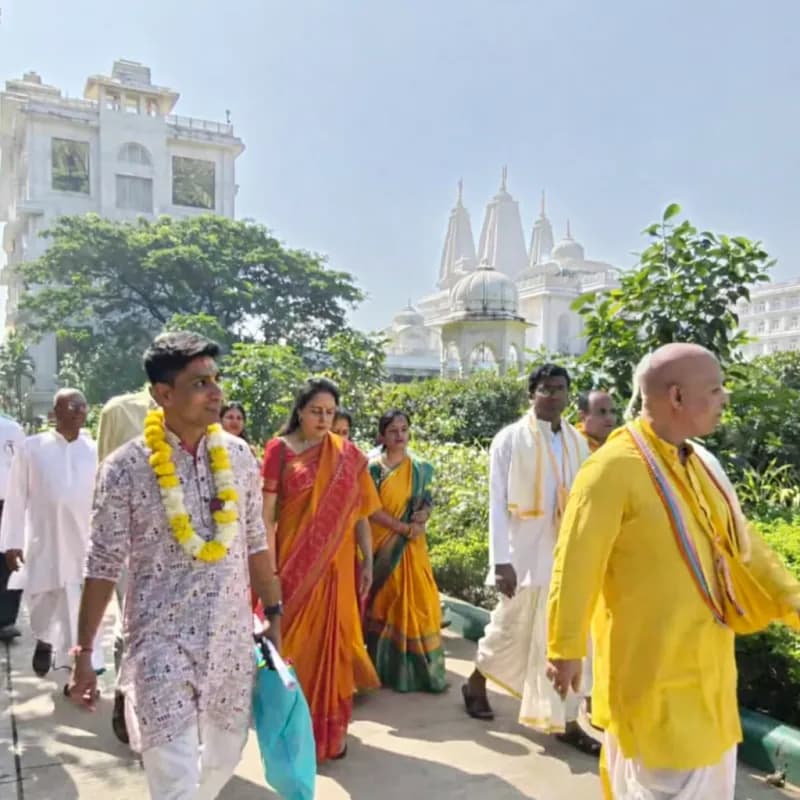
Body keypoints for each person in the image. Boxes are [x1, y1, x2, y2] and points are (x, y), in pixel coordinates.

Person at [547, 343, 800, 799]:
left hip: (710, 677)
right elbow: (575, 562)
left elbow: (746, 549)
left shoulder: (702, 463)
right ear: (677, 397)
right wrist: (564, 647)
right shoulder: (610, 469)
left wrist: (794, 603)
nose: (725, 399)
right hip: (651, 677)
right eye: (716, 389)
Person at [68, 332, 280, 800]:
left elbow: (254, 541)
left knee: (225, 756)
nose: (216, 392)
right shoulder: (126, 468)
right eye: (200, 383)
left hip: (228, 637)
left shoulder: (240, 457)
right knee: (174, 776)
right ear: (163, 394)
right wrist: (84, 654)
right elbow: (101, 565)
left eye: (215, 380)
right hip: (158, 644)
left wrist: (275, 614)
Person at [461, 364, 597, 754]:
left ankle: (567, 721)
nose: (553, 396)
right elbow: (497, 505)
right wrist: (500, 560)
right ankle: (475, 682)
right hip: (521, 555)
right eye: (545, 389)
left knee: (565, 636)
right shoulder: (509, 440)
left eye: (560, 389)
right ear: (531, 394)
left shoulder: (576, 442)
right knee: (509, 629)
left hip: (563, 554)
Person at [262, 377, 381, 762]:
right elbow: (266, 516)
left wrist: (367, 559)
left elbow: (362, 512)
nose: (324, 419)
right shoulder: (279, 450)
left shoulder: (346, 454)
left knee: (334, 649)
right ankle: (294, 738)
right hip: (292, 571)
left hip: (334, 572)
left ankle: (331, 735)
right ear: (300, 410)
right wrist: (269, 570)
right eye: (317, 411)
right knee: (291, 651)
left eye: (330, 412)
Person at [0, 389, 104, 678]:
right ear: (55, 412)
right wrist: (11, 542)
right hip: (43, 538)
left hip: (84, 539)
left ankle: (82, 665)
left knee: (80, 603)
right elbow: (17, 495)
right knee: (42, 600)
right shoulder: (33, 447)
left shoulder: (95, 449)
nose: (79, 411)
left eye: (83, 406)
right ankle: (44, 641)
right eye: (73, 405)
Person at [365, 410, 446, 693]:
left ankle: (422, 672)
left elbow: (426, 500)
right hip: (384, 547)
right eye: (393, 431)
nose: (400, 435)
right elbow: (371, 509)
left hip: (414, 546)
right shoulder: (373, 469)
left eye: (404, 429)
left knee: (422, 602)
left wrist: (423, 516)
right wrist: (401, 528)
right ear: (382, 436)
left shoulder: (421, 468)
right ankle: (387, 669)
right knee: (390, 601)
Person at [96, 385, 157, 744]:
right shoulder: (119, 410)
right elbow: (103, 475)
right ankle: (124, 697)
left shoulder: (200, 412)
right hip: (131, 538)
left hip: (181, 544)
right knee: (132, 621)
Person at [0, 413, 26, 642]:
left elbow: (24, 465)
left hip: (6, 503)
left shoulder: (12, 428)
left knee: (9, 560)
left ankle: (6, 620)